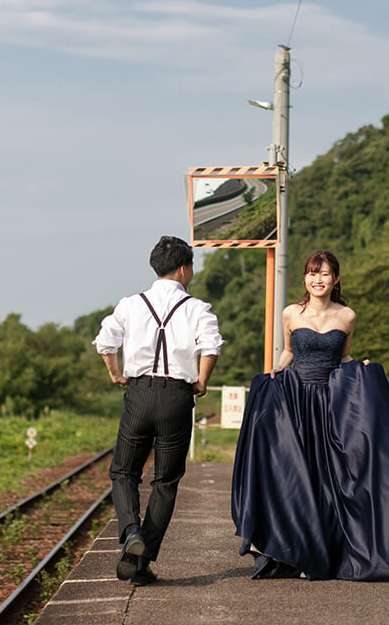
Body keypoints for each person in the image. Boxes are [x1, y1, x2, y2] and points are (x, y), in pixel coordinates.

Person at [231, 250, 389, 580]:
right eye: (311, 273)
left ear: (336, 279)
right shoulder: (291, 313)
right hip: (297, 400)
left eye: (324, 274)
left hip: (333, 401)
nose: (317, 279)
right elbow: (289, 351)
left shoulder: (347, 315)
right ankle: (305, 552)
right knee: (299, 476)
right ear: (305, 278)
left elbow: (344, 357)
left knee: (337, 478)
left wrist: (361, 367)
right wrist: (275, 372)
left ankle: (333, 553)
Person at [94, 236, 223, 586]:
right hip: (176, 398)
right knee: (165, 481)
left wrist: (115, 373)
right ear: (184, 269)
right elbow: (210, 347)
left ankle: (130, 532)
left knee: (123, 472)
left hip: (138, 394)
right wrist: (202, 381)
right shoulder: (198, 308)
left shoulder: (131, 304)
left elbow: (105, 342)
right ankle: (142, 560)